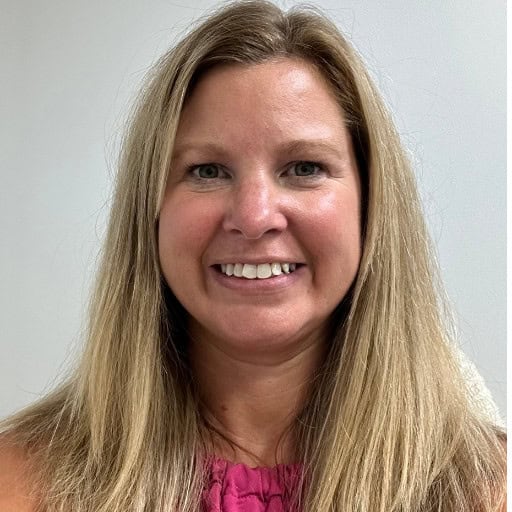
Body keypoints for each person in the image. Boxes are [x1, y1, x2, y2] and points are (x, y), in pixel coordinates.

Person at [0, 1, 506, 511]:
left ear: (371, 204)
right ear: (149, 211)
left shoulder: (487, 489)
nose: (255, 214)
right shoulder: (20, 481)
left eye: (304, 167)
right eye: (207, 171)